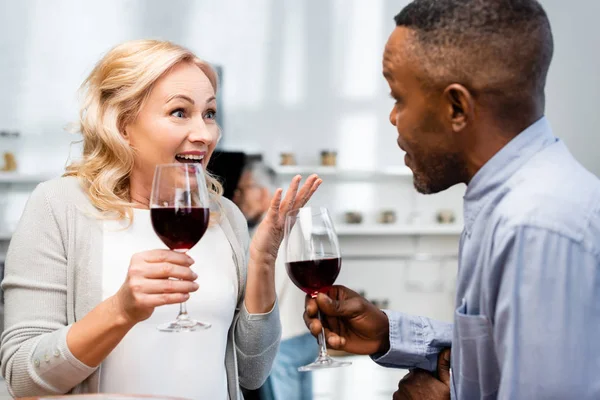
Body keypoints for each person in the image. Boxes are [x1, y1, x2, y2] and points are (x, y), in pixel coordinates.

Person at [304, 0, 600, 399]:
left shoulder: (536, 226)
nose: (393, 118)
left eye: (399, 98)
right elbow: (497, 351)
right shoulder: (508, 202)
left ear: (456, 107)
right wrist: (388, 333)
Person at [0, 39, 322, 399]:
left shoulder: (224, 216)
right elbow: (21, 376)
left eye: (209, 113)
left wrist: (262, 261)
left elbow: (252, 373)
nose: (204, 134)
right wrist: (119, 311)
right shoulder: (59, 206)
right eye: (180, 112)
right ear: (123, 124)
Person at [233, 158, 319, 400]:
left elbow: (265, 291)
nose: (237, 198)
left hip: (282, 340)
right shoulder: (297, 225)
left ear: (261, 193)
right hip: (305, 334)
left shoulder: (268, 233)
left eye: (242, 190)